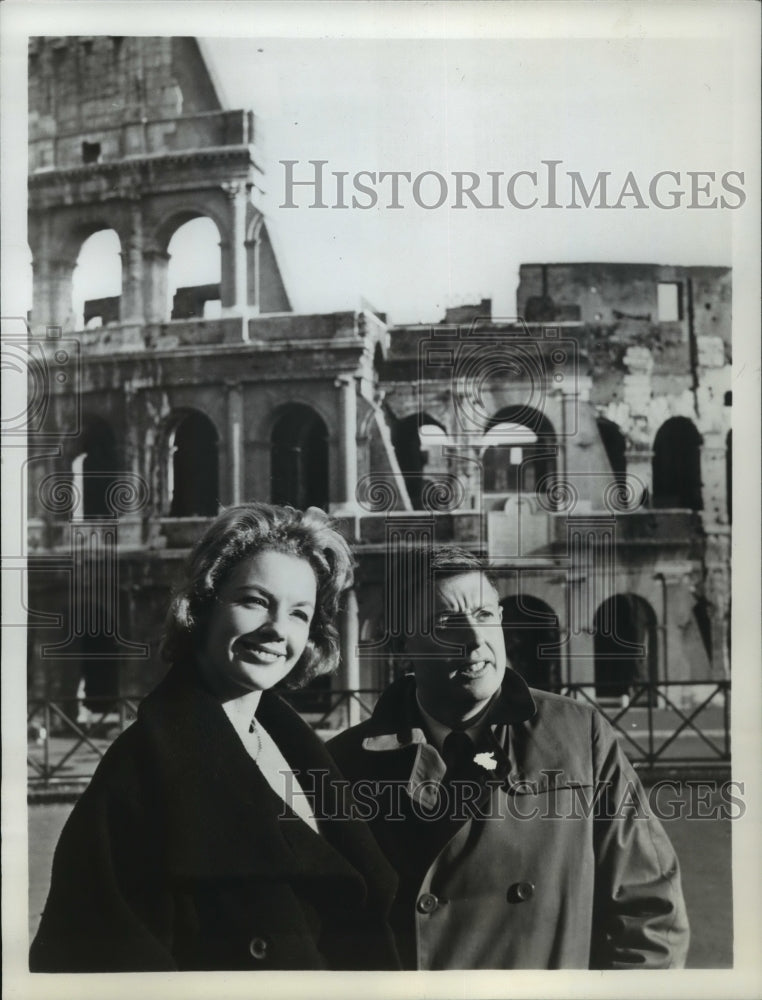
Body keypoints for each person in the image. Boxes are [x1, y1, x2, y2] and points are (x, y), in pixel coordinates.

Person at [30, 504, 400, 972]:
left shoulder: (296, 749)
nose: (277, 629)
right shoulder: (139, 773)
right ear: (202, 605)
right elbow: (92, 964)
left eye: (298, 613)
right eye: (254, 601)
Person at [328, 546, 690, 970]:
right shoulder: (345, 764)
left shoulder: (579, 736)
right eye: (447, 623)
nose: (474, 639)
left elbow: (651, 914)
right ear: (402, 641)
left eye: (484, 615)